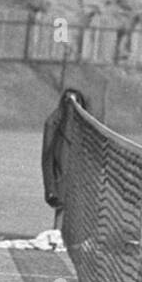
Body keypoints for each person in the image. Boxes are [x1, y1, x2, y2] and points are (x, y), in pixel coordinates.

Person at [41, 88, 87, 231]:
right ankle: (58, 231)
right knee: (62, 196)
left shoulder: (83, 123)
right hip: (61, 162)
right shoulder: (55, 121)